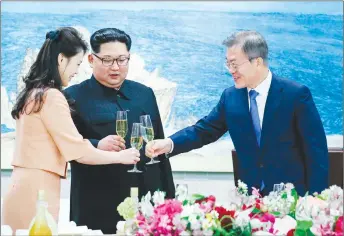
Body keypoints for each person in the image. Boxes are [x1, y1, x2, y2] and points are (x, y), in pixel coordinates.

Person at [147, 30, 329, 196]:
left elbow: (316, 149)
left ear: (257, 61)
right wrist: (169, 143)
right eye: (228, 64)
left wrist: (317, 196)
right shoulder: (231, 97)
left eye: (235, 64)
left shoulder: (295, 94)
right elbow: (203, 130)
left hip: (293, 198)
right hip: (249, 199)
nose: (231, 71)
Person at [1, 27, 140, 233]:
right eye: (76, 63)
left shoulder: (34, 93)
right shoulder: (52, 96)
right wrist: (122, 157)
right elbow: (77, 150)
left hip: (22, 186)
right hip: (38, 190)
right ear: (61, 60)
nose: (76, 71)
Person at [64, 28, 175, 234]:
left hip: (146, 201)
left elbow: (159, 147)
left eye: (122, 60)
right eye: (107, 60)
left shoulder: (144, 94)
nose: (115, 67)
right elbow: (65, 147)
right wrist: (98, 145)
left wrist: (169, 199)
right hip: (97, 202)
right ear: (91, 59)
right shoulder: (72, 97)